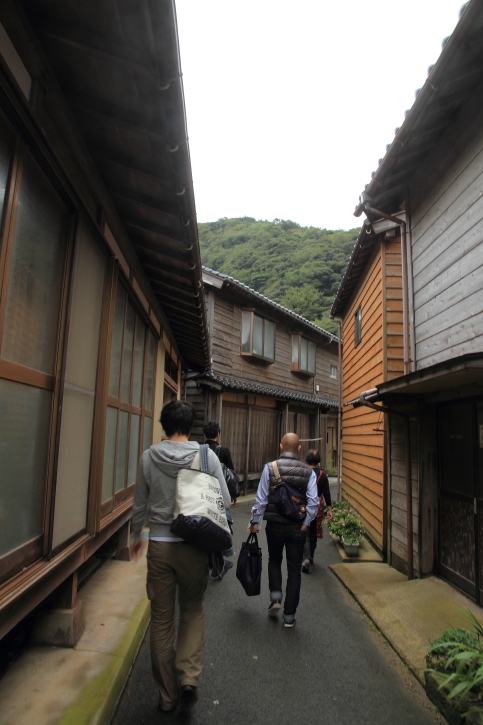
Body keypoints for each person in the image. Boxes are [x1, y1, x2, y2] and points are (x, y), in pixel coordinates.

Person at [130, 401, 231, 713]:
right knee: (191, 609)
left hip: (159, 545)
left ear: (164, 426)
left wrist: (135, 536)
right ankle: (188, 677)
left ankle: (167, 696)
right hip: (193, 545)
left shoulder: (149, 457)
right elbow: (225, 500)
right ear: (190, 426)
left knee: (161, 619)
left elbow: (139, 503)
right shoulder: (206, 456)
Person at [249, 433, 318, 628]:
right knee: (294, 570)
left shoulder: (270, 468)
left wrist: (255, 522)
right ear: (299, 449)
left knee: (274, 560)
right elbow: (314, 502)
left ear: (281, 447)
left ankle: (276, 596)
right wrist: (306, 522)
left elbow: (261, 499)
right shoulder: (309, 472)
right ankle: (289, 616)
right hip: (297, 527)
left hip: (274, 525)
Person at [204, 420, 236, 578]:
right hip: (218, 495)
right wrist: (233, 495)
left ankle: (212, 562)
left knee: (206, 528)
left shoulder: (200, 450)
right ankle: (219, 564)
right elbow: (231, 474)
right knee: (219, 528)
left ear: (205, 434)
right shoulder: (223, 451)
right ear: (218, 434)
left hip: (203, 494)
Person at [301, 449, 333, 574]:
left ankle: (306, 557)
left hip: (305, 504)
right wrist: (329, 509)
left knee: (305, 530)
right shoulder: (322, 475)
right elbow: (327, 493)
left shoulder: (304, 473)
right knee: (314, 530)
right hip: (318, 505)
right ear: (318, 460)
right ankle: (311, 555)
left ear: (307, 459)